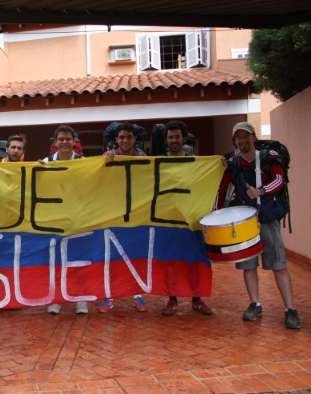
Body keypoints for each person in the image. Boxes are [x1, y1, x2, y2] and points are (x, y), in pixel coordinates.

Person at [217, 122, 300, 329]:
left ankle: (290, 309)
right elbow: (223, 187)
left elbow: (280, 180)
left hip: (267, 219)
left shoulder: (270, 157)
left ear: (254, 137)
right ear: (234, 141)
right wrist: (217, 213)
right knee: (248, 266)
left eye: (246, 136)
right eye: (238, 138)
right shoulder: (233, 163)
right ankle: (255, 304)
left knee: (278, 265)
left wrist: (261, 191)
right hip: (245, 222)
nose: (242, 141)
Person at [160, 120, 213, 316]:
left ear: (183, 138)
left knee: (196, 259)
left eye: (177, 137)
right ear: (166, 140)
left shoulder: (195, 162)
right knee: (170, 261)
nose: (174, 140)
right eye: (170, 137)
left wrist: (219, 166)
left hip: (191, 218)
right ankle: (171, 299)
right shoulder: (158, 162)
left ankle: (197, 300)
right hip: (168, 219)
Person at [97, 123, 148, 313]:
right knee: (110, 254)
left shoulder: (143, 158)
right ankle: (108, 295)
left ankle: (137, 294)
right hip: (112, 212)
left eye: (128, 137)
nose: (125, 140)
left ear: (134, 139)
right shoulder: (108, 155)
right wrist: (104, 162)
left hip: (136, 212)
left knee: (134, 253)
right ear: (116, 139)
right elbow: (95, 175)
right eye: (121, 137)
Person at [40, 125, 88, 315]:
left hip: (78, 218)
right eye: (61, 139)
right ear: (55, 142)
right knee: (56, 261)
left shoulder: (84, 162)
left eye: (68, 139)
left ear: (74, 141)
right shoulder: (46, 162)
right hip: (55, 219)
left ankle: (81, 299)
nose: (65, 142)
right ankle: (55, 299)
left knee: (79, 260)